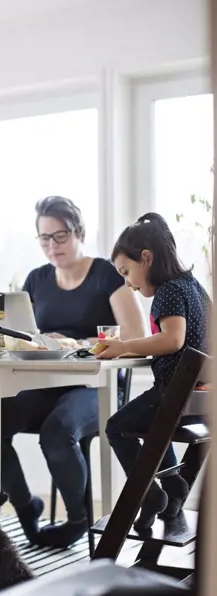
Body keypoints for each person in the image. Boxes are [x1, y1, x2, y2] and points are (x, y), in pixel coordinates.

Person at [0, 196, 146, 548]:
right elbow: (22, 334)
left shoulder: (106, 274)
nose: (52, 246)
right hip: (45, 383)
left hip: (97, 386)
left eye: (59, 236)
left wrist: (74, 340)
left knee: (57, 430)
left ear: (78, 232)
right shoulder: (36, 279)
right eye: (44, 238)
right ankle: (24, 505)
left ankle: (78, 520)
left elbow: (136, 334)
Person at [100, 212, 210, 530]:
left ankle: (150, 495)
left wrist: (124, 346)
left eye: (127, 272)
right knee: (154, 427)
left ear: (146, 258)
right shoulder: (193, 286)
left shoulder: (169, 291)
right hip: (201, 400)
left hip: (176, 394)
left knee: (117, 427)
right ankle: (174, 485)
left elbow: (172, 340)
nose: (128, 283)